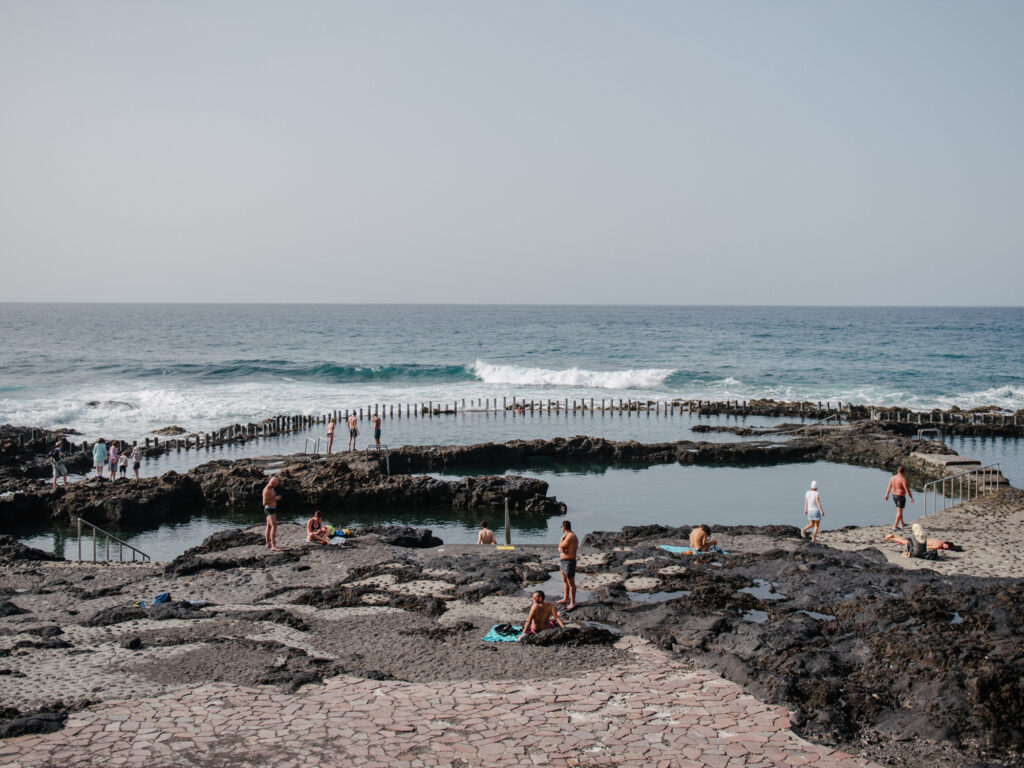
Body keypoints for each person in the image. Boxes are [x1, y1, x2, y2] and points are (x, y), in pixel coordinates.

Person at [884, 465, 914, 530]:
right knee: (899, 511)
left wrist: (887, 494)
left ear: (898, 471)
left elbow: (889, 487)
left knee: (899, 510)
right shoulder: (903, 479)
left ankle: (902, 523)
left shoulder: (892, 478)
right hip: (900, 496)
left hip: (894, 495)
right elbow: (907, 490)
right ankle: (895, 526)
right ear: (903, 472)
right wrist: (911, 498)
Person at [557, 520, 579, 610]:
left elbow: (562, 546)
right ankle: (566, 598)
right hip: (563, 561)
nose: (561, 529)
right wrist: (561, 548)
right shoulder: (565, 536)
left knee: (571, 582)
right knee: (565, 580)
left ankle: (572, 602)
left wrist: (562, 544)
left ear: (564, 527)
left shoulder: (570, 536)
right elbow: (559, 548)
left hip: (569, 561)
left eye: (561, 527)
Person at [883, 532, 962, 552]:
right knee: (905, 542)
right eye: (947, 546)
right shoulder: (938, 544)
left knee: (906, 540)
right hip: (921, 542)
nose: (945, 547)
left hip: (922, 539)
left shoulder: (940, 541)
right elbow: (929, 547)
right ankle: (892, 538)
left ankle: (894, 537)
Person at [262, 477, 283, 552]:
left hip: (272, 508)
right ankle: (273, 546)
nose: (277, 485)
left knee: (269, 526)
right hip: (269, 509)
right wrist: (275, 499)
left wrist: (275, 498)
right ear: (272, 483)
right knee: (274, 526)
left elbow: (271, 497)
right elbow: (264, 503)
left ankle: (268, 543)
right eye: (276, 484)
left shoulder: (271, 487)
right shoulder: (266, 490)